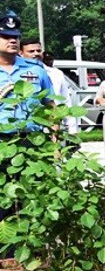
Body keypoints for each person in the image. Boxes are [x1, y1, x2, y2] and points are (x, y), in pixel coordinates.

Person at [0, 13, 55, 245]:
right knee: (3, 199)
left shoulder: (35, 69)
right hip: (2, 141)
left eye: (15, 37)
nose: (12, 41)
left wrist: (55, 143)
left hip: (32, 141)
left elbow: (51, 106)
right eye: (5, 36)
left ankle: (33, 250)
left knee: (33, 197)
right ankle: (6, 253)